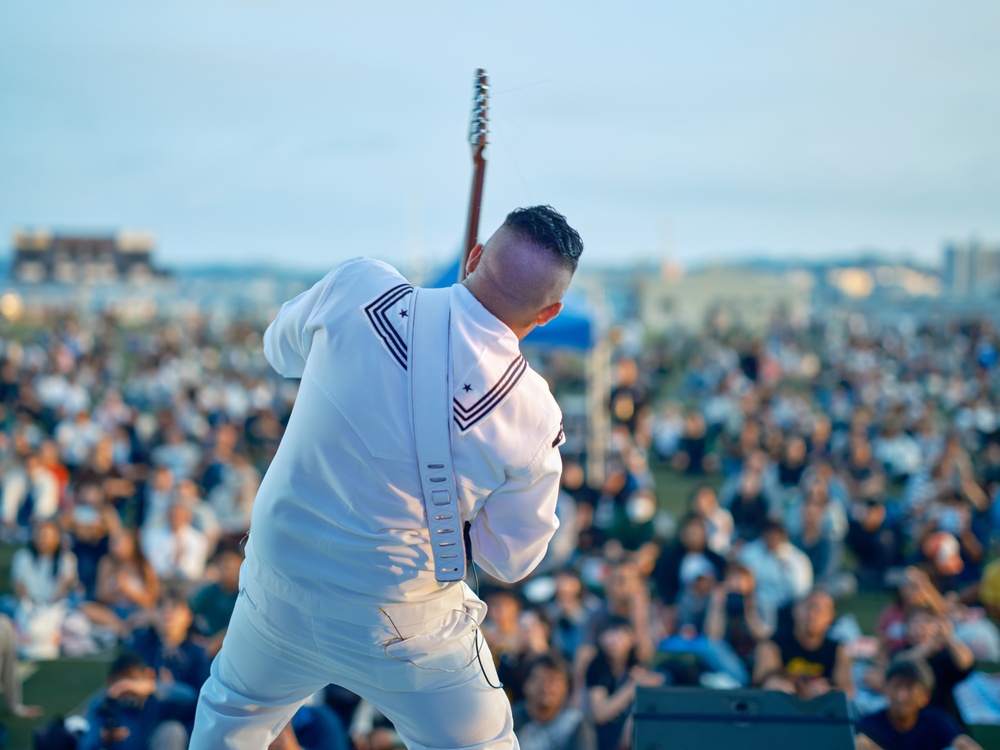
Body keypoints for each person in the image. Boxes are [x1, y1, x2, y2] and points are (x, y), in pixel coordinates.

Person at [192, 205, 583, 748]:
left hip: (280, 583)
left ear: (473, 256)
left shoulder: (359, 286)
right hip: (403, 624)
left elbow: (278, 349)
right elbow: (508, 559)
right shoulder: (534, 413)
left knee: (230, 718)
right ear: (550, 313)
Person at [78, 650, 198, 750]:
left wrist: (151, 686)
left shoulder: (157, 699)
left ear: (148, 676)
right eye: (120, 683)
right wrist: (103, 737)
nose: (127, 688)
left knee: (172, 730)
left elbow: (191, 697)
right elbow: (85, 745)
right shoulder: (105, 706)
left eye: (133, 680)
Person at [856, 658, 983, 750]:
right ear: (885, 689)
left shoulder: (939, 722)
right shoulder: (868, 724)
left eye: (910, 688)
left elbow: (964, 744)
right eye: (896, 686)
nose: (901, 696)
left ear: (925, 697)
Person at [752, 589, 853, 699]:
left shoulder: (839, 650)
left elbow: (847, 691)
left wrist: (827, 692)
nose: (813, 614)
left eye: (821, 610)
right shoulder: (772, 645)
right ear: (795, 610)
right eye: (808, 607)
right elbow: (760, 682)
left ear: (830, 617)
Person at [512, 652, 597, 750]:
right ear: (526, 684)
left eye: (555, 681)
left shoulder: (576, 723)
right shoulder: (510, 721)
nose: (547, 688)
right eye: (540, 679)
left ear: (566, 688)